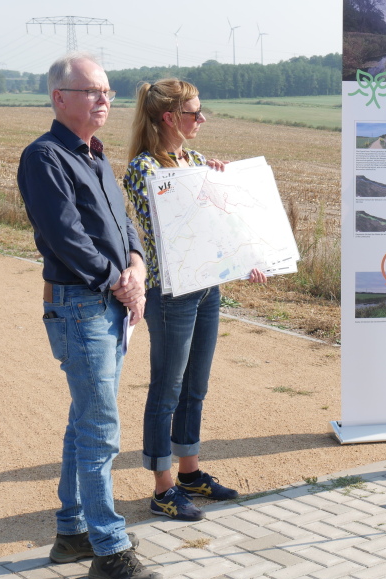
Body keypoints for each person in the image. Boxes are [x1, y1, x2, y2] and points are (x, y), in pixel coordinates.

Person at [16, 52, 164, 579]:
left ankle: (72, 531)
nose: (106, 100)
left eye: (107, 91)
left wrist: (138, 266)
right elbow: (64, 236)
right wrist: (118, 280)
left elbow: (124, 224)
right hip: (81, 306)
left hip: (107, 303)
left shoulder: (97, 157)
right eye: (93, 91)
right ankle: (108, 549)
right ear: (60, 98)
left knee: (86, 420)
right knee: (101, 427)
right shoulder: (44, 157)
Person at [124, 79, 267, 521]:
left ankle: (189, 473)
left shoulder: (197, 160)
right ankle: (162, 488)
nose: (202, 119)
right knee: (166, 389)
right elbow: (175, 230)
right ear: (170, 117)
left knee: (195, 387)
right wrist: (200, 188)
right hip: (171, 293)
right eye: (195, 112)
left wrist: (221, 186)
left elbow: (219, 225)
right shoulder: (144, 169)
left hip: (207, 287)